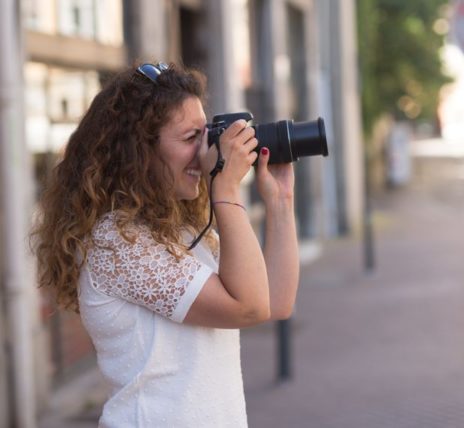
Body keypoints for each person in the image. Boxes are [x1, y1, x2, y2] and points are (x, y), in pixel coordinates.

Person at [31, 62, 299, 427]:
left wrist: (280, 203)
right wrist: (226, 187)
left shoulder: (181, 230)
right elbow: (249, 308)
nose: (206, 152)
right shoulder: (117, 241)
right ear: (138, 150)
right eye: (191, 139)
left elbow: (274, 302)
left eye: (207, 137)